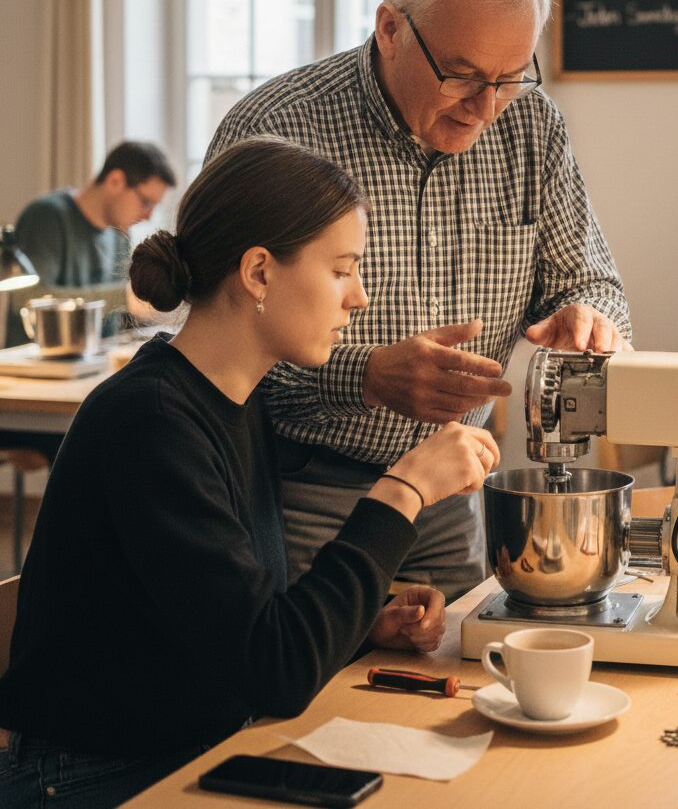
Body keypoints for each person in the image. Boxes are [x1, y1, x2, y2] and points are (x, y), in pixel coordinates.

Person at [0, 139, 499, 808]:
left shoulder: (234, 399)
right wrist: (404, 489)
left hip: (195, 746)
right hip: (94, 778)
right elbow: (277, 671)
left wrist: (362, 619)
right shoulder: (151, 423)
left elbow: (243, 622)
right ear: (259, 272)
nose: (360, 297)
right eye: (343, 270)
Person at [207, 0, 631, 599]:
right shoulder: (278, 131)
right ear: (389, 29)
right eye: (462, 75)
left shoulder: (532, 126)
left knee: (445, 687)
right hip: (308, 493)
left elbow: (591, 282)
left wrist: (589, 320)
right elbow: (220, 350)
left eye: (510, 77)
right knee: (302, 690)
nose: (486, 107)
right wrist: (365, 378)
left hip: (454, 495)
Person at [5, 140, 177, 348]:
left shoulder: (119, 234)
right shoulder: (48, 217)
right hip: (37, 368)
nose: (148, 216)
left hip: (92, 366)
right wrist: (123, 297)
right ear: (115, 180)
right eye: (146, 203)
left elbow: (111, 321)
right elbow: (26, 299)